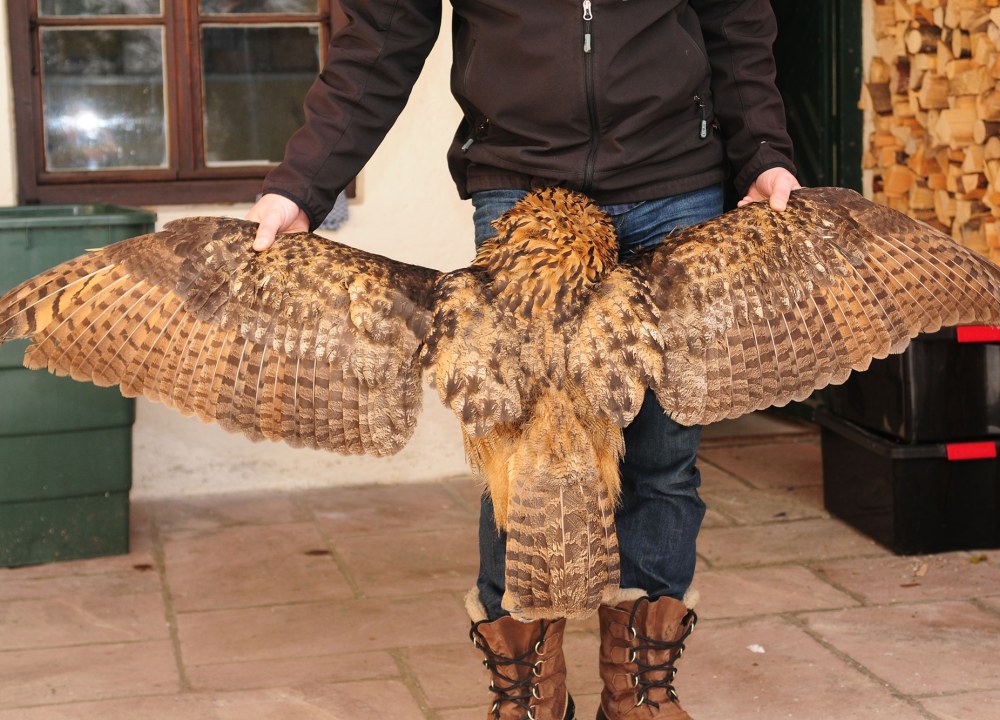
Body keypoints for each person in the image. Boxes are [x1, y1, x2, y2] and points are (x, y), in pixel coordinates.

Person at [247, 2, 799, 718]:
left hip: (676, 185)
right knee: (519, 453)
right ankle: (531, 691)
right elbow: (383, 33)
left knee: (662, 456)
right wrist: (302, 183)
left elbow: (736, 18)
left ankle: (638, 690)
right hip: (522, 193)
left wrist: (763, 152)